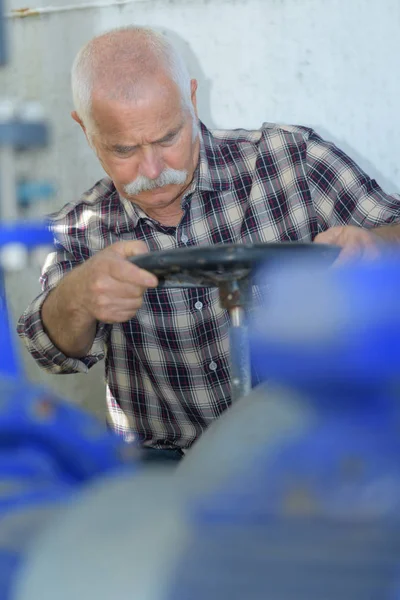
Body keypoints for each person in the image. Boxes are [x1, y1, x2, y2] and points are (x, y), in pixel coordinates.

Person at [17, 26, 400, 456]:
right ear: (85, 130)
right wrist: (79, 297)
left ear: (192, 98)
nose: (154, 167)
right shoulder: (79, 228)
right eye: (124, 150)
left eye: (168, 137)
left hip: (316, 452)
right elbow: (50, 353)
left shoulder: (292, 160)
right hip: (167, 471)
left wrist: (376, 245)